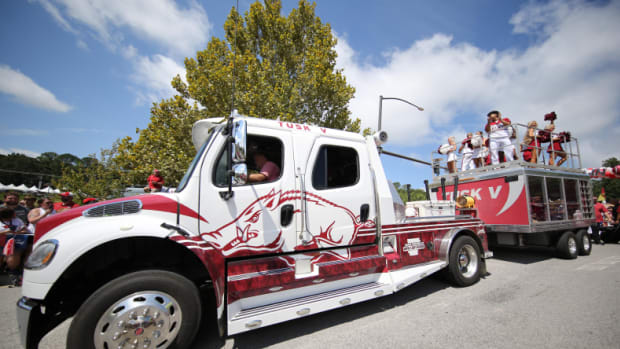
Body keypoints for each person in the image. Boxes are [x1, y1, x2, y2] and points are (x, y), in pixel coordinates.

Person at [1, 207, 31, 286]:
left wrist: (19, 232)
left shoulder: (17, 220)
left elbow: (25, 229)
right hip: (2, 242)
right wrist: (5, 232)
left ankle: (16, 274)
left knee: (18, 252)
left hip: (16, 241)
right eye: (13, 213)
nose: (15, 214)